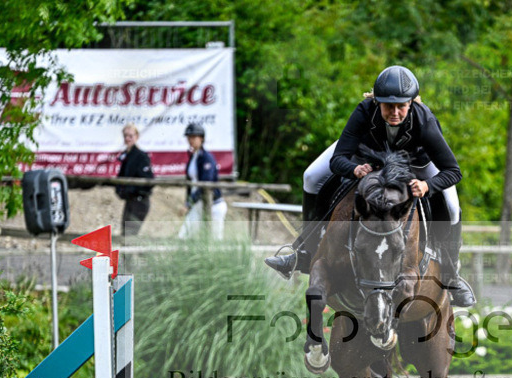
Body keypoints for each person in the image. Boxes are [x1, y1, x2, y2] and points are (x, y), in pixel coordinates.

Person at [264, 65, 475, 307]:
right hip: (369, 158)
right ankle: (305, 252)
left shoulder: (424, 120)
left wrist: (428, 185)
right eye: (388, 106)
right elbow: (338, 159)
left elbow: (453, 171)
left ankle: (451, 274)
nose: (395, 112)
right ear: (377, 102)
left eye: (401, 106)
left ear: (411, 103)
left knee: (452, 204)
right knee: (311, 176)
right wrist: (353, 169)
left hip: (417, 162)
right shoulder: (364, 112)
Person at [178, 123, 227, 240]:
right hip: (198, 202)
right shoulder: (193, 157)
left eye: (194, 137)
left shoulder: (207, 158)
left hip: (213, 203)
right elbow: (191, 184)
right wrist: (188, 202)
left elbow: (205, 184)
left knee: (214, 239)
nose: (190, 140)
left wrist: (189, 203)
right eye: (189, 137)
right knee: (184, 235)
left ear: (201, 138)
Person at [116, 123, 154, 236]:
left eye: (130, 136)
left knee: (130, 234)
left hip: (140, 200)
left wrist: (132, 190)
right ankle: (128, 254)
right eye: (126, 136)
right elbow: (121, 177)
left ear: (136, 137)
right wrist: (120, 191)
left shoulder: (141, 156)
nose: (128, 139)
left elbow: (149, 180)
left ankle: (132, 254)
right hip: (130, 200)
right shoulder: (126, 156)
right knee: (125, 234)